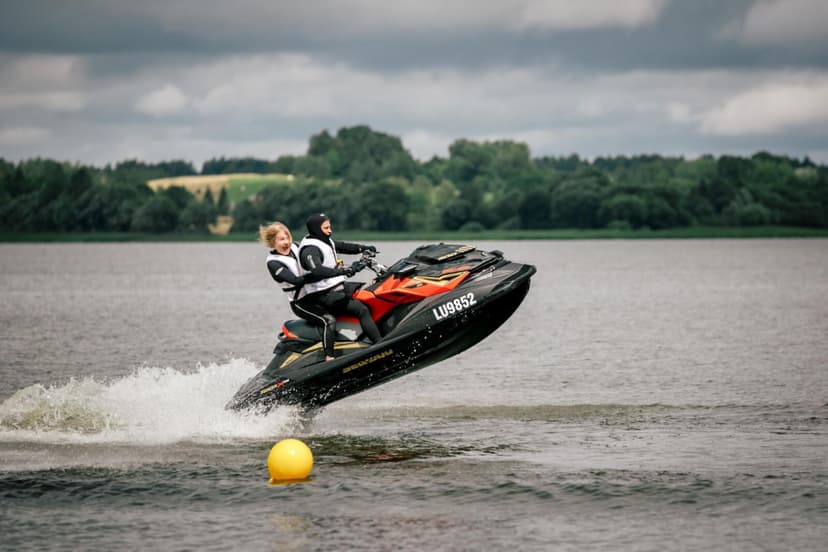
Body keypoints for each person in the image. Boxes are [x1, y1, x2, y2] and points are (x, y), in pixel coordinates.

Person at [294, 213, 382, 361]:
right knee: (362, 310)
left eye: (330, 227)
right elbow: (318, 270)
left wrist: (364, 248)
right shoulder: (309, 250)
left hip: (335, 289)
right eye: (326, 228)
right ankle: (380, 345)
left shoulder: (324, 240)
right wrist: (342, 271)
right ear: (316, 229)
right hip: (323, 295)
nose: (330, 231)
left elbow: (342, 246)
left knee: (370, 294)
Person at [260, 221, 306, 308]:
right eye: (282, 239)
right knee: (328, 320)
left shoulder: (295, 246)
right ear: (273, 242)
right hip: (299, 303)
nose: (287, 242)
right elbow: (296, 281)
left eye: (287, 238)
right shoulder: (273, 263)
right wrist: (319, 272)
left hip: (313, 293)